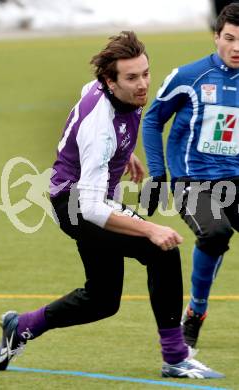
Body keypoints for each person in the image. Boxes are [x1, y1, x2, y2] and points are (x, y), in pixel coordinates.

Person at [0, 31, 223, 379]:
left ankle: (20, 325)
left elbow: (86, 116)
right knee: (160, 249)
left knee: (102, 300)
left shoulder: (109, 92)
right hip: (76, 205)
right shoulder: (99, 129)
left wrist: (123, 150)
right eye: (132, 77)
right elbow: (92, 209)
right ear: (110, 81)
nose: (143, 83)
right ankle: (175, 357)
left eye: (145, 72)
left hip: (85, 196)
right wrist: (150, 227)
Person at [142, 3, 239, 350]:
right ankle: (196, 312)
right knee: (215, 232)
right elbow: (153, 121)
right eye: (229, 38)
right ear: (216, 37)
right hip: (192, 180)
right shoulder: (190, 76)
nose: (236, 47)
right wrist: (157, 174)